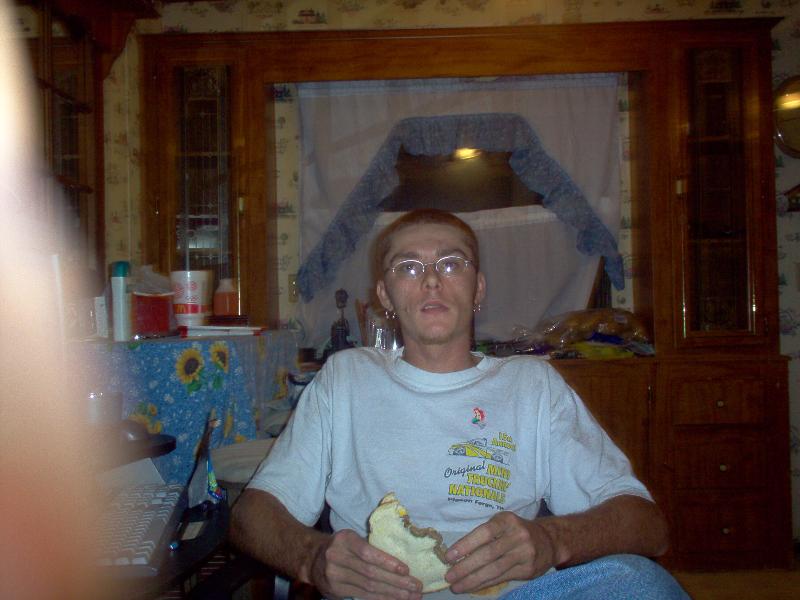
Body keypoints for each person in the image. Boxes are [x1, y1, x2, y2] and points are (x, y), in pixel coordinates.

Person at [231, 208, 688, 600]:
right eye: (408, 267)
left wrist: (552, 540)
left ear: (479, 288)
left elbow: (649, 527)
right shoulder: (345, 379)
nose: (431, 279)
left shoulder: (533, 385)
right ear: (385, 295)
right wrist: (313, 557)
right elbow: (251, 516)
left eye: (451, 263)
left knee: (641, 582)